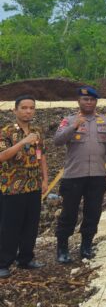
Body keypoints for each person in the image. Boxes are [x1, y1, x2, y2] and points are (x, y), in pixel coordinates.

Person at [54, 86, 106, 263]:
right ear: (79, 101)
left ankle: (86, 246)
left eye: (92, 100)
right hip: (74, 175)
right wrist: (74, 126)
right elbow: (57, 141)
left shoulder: (105, 121)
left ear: (96, 102)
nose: (88, 102)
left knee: (93, 212)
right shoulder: (69, 120)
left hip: (97, 175)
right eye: (85, 99)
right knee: (69, 213)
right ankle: (62, 248)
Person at [0, 95, 48, 278]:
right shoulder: (6, 132)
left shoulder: (37, 131)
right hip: (12, 187)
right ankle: (4, 262)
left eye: (31, 108)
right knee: (10, 226)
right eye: (24, 107)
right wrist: (22, 142)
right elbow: (2, 156)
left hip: (33, 185)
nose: (28, 111)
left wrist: (45, 180)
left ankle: (26, 259)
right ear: (15, 110)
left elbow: (41, 155)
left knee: (31, 225)